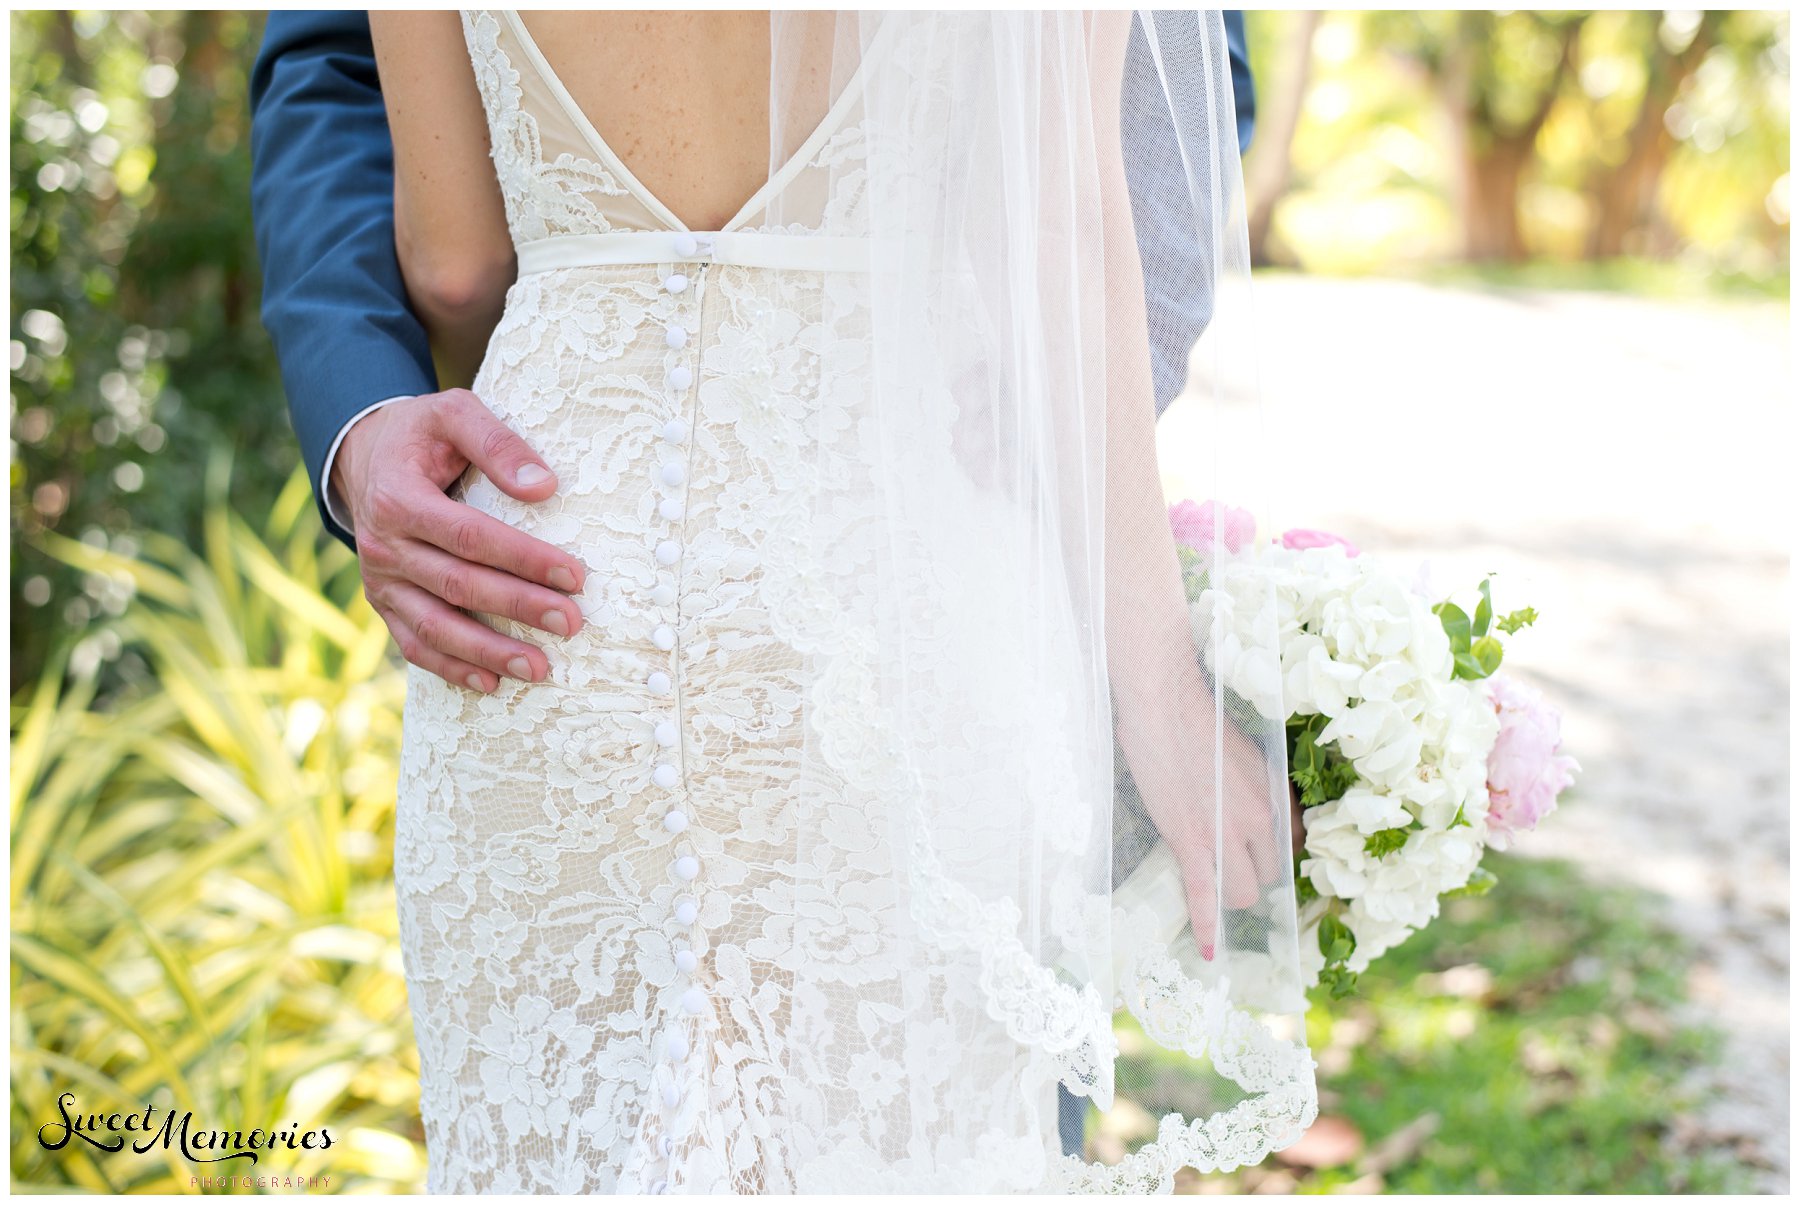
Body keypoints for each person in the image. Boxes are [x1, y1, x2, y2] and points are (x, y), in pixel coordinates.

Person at [251, 10, 1310, 1193]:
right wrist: (1158, 678)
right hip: (892, 545)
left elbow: (454, 264)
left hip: (552, 584)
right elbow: (1059, 224)